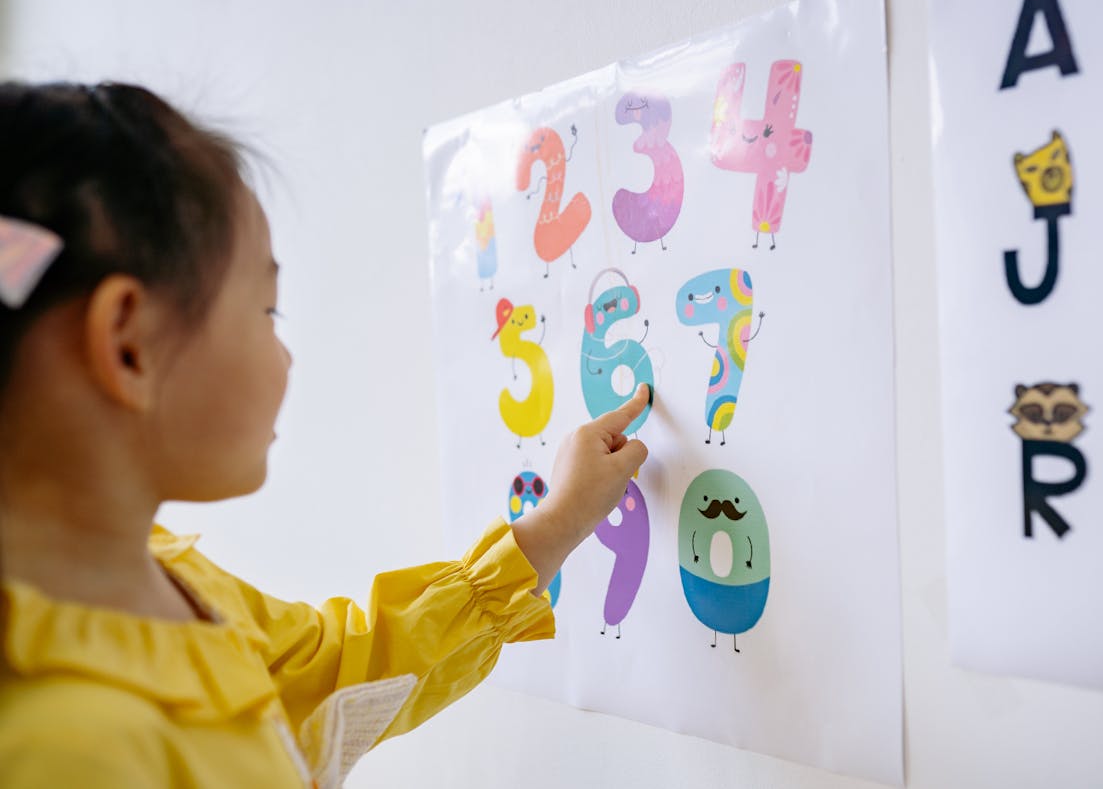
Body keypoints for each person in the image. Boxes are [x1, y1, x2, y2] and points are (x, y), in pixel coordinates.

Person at [0, 81, 650, 788]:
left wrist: (553, 525)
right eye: (267, 311)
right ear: (131, 345)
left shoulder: (166, 579)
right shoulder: (60, 750)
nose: (286, 355)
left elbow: (343, 668)